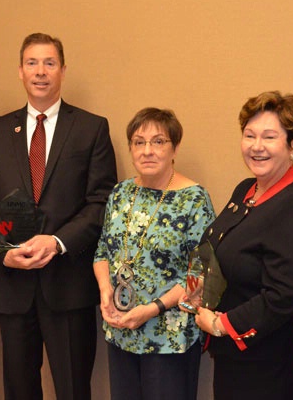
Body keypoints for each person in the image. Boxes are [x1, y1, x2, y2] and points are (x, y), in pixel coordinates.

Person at [0, 33, 117, 400]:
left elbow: (101, 202)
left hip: (67, 284)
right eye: (32, 63)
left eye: (49, 63)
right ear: (20, 71)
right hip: (12, 283)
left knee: (72, 387)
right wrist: (3, 249)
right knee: (19, 389)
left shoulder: (90, 128)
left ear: (63, 71)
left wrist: (56, 241)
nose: (41, 72)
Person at [189, 91, 293, 399]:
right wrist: (198, 286)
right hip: (234, 360)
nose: (256, 146)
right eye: (249, 135)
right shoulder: (245, 190)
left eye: (269, 137)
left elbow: (284, 296)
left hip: (268, 365)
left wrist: (222, 324)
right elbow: (218, 244)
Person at [93, 108, 214, 399]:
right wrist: (105, 291)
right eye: (139, 142)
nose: (147, 150)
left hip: (170, 339)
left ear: (174, 148)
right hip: (121, 331)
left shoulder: (195, 199)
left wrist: (152, 308)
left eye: (158, 141)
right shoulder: (121, 193)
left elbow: (200, 275)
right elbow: (102, 251)